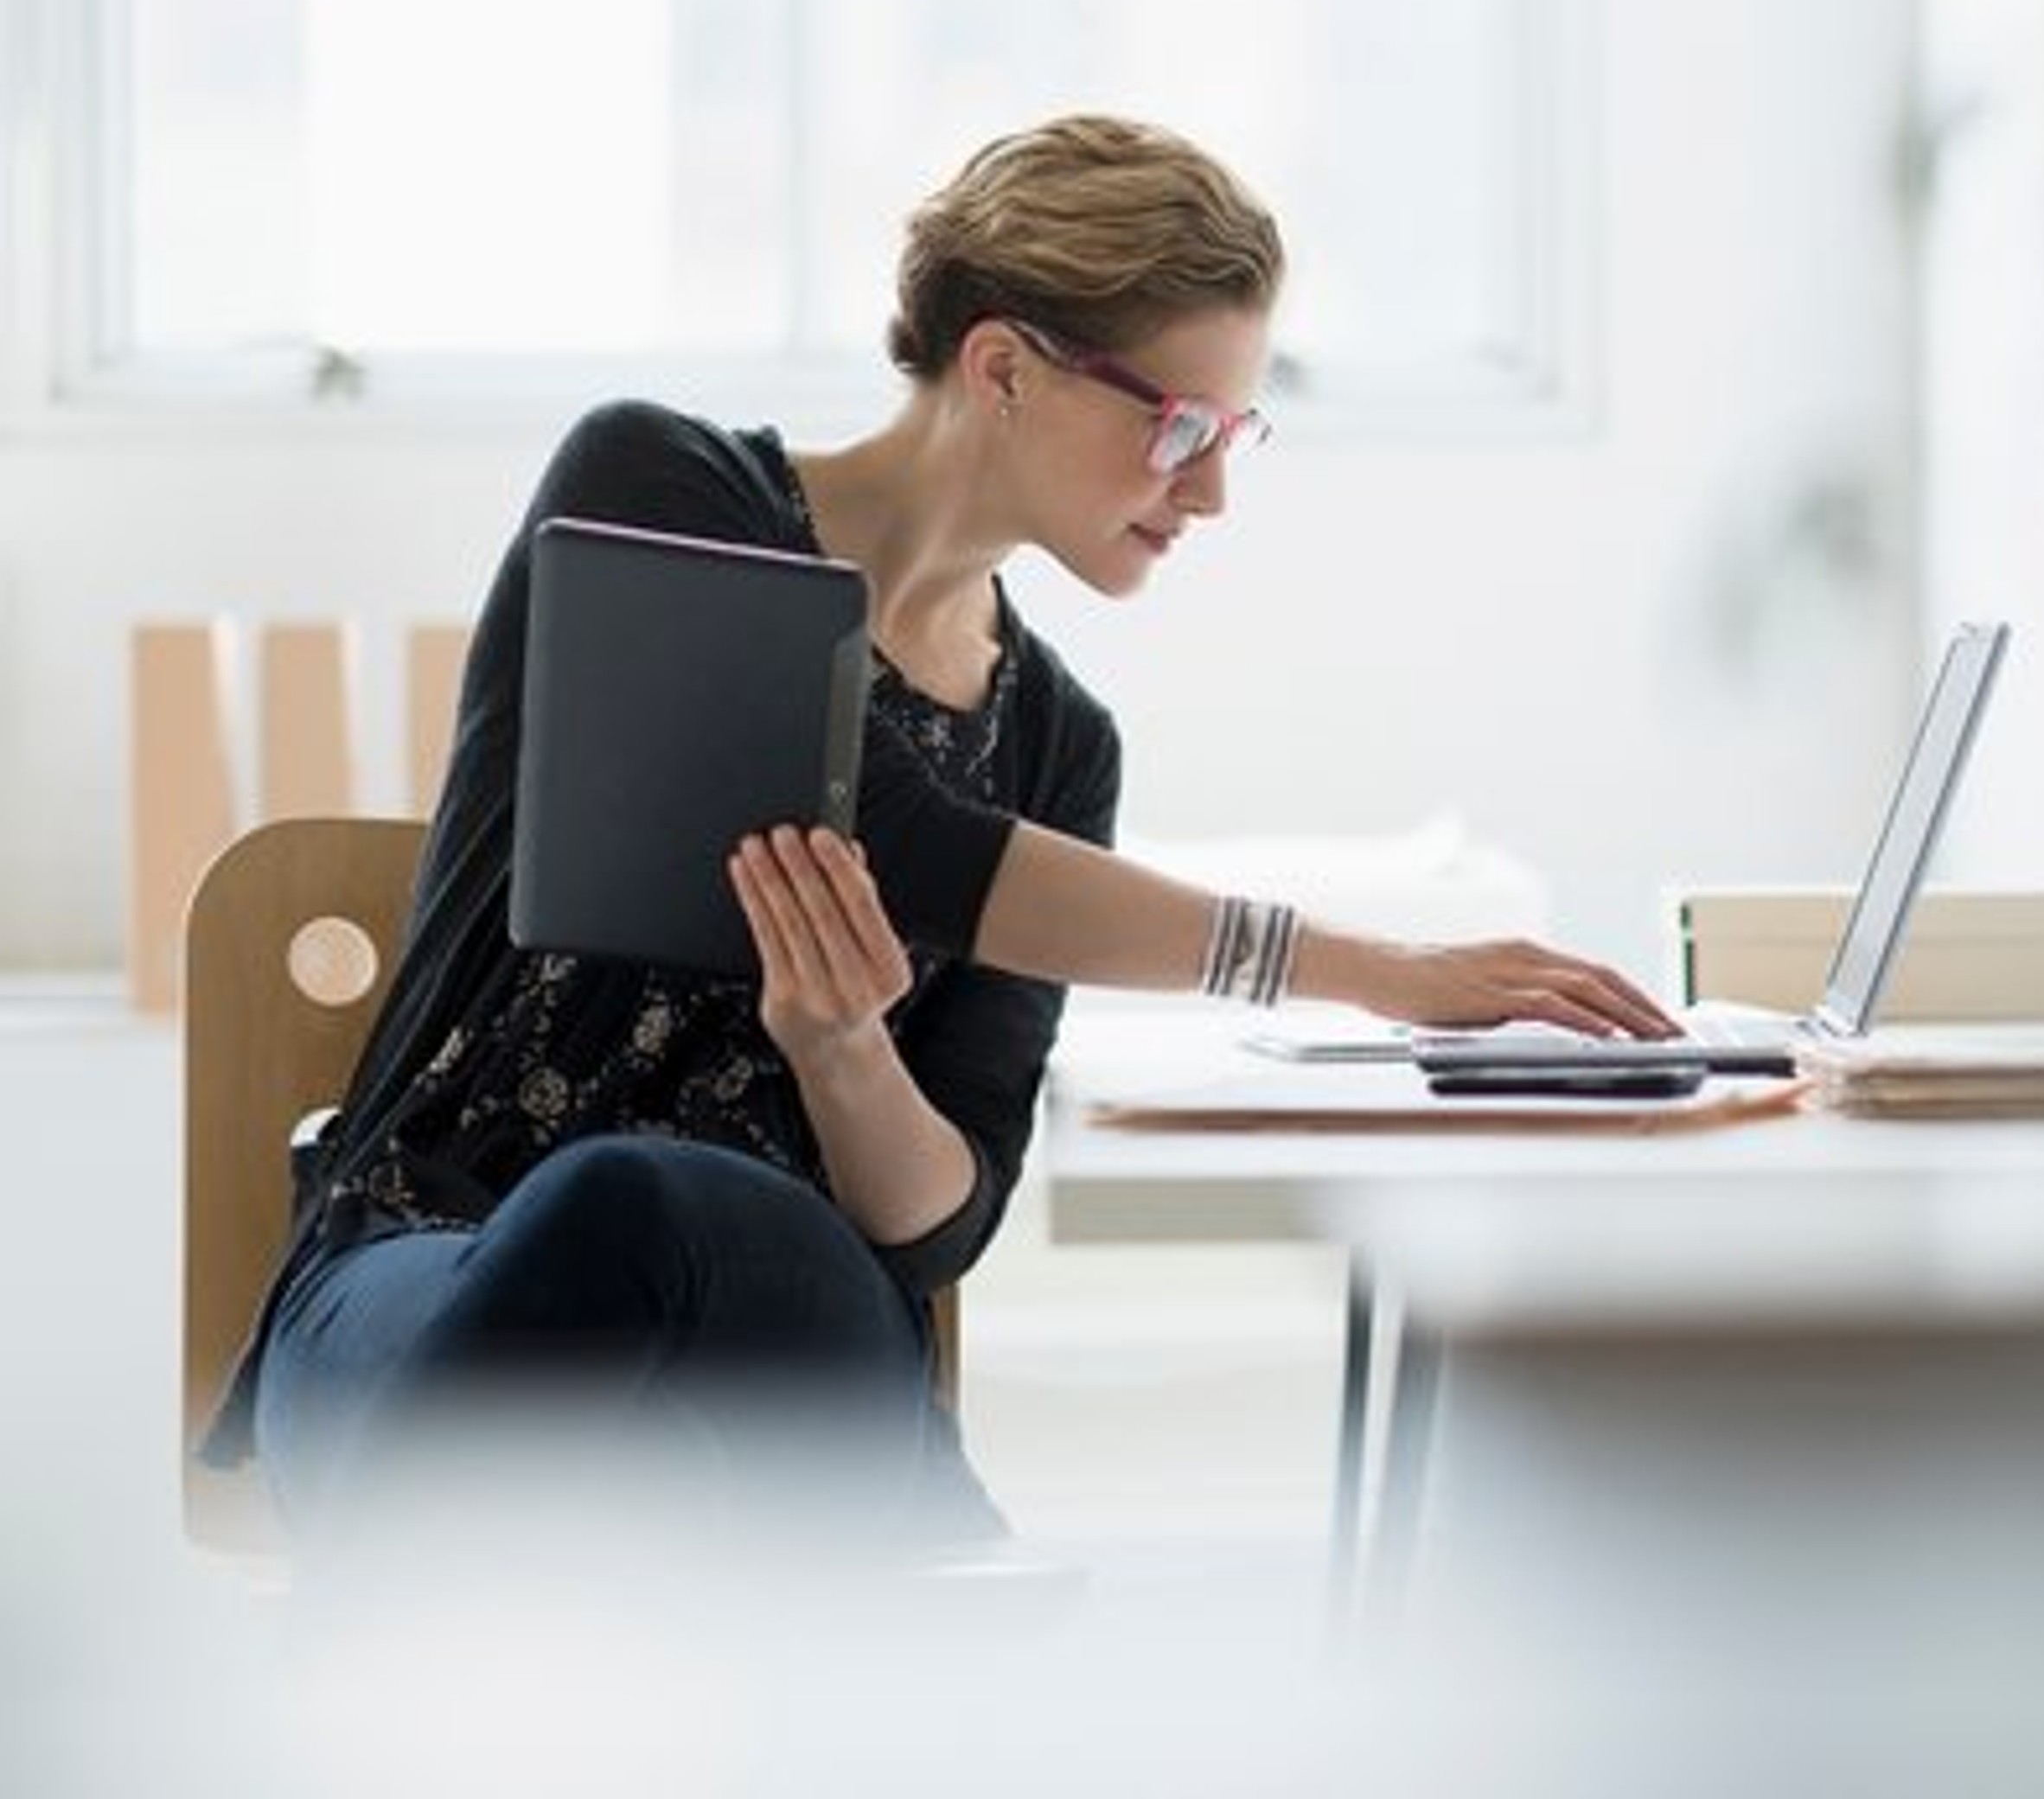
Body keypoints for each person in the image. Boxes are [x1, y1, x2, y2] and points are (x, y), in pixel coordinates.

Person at [207, 112, 1677, 1550]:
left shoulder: (1060, 747)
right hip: (432, 1256)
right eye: (1180, 426)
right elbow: (898, 835)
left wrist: (845, 1052)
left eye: (1235, 433)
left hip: (783, 1321)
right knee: (613, 1217)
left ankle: (419, 1630)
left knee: (657, 1243)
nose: (1214, 489)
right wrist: (1375, 969)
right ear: (1004, 368)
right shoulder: (657, 491)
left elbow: (938, 1222)